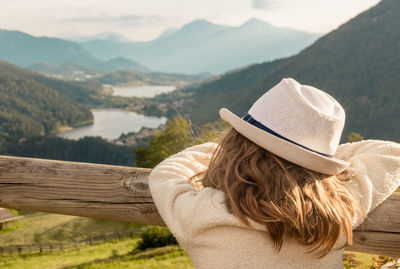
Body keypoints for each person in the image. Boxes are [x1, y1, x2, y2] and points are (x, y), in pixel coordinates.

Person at [148, 78, 400, 269]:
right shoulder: (341, 207)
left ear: (236, 146)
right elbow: (392, 154)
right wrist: (321, 160)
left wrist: (223, 147)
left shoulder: (199, 215)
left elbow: (169, 171)